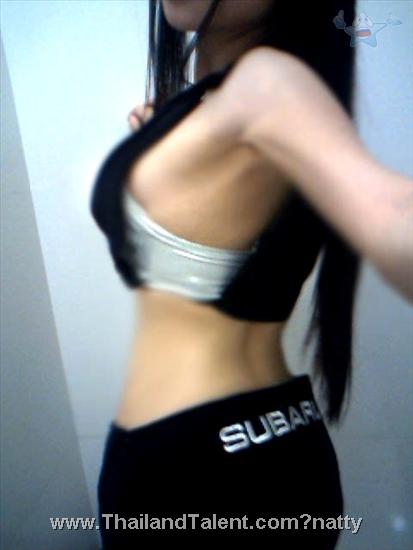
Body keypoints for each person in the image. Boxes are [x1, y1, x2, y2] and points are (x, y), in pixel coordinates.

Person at [91, 0, 412, 547]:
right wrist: (157, 154)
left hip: (197, 474)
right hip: (269, 441)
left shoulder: (265, 82)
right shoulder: (223, 106)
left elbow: (392, 212)